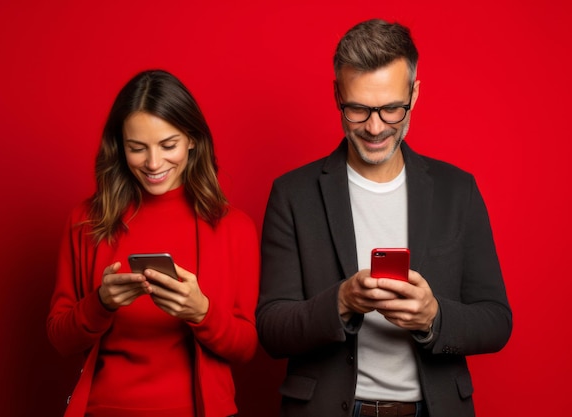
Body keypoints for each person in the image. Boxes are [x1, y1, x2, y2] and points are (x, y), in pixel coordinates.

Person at [256, 19, 512, 417]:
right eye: (358, 109)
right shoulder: (293, 194)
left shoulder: (457, 190)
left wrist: (433, 316)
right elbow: (272, 329)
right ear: (337, 94)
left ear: (414, 93)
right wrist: (341, 302)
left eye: (392, 109)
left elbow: (497, 320)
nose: (375, 128)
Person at [47, 69, 260, 417]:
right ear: (119, 146)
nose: (153, 163)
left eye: (168, 145)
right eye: (137, 148)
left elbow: (245, 346)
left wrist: (201, 312)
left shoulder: (234, 227)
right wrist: (101, 302)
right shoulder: (87, 221)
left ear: (192, 140)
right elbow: (60, 337)